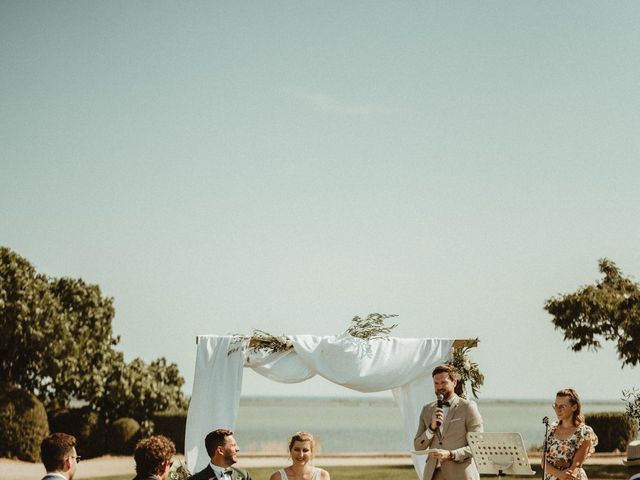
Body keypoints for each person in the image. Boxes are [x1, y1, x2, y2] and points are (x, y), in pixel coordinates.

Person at [414, 364, 483, 480]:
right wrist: (431, 428)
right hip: (432, 474)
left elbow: (478, 445)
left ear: (454, 382)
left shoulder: (468, 407)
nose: (439, 387)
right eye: (436, 383)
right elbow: (418, 446)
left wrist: (451, 454)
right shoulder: (427, 409)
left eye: (444, 382)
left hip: (460, 475)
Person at [543, 388, 598, 480]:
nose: (557, 410)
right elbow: (543, 462)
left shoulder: (585, 432)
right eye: (556, 406)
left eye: (562, 407)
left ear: (574, 407)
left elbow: (577, 464)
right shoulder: (551, 429)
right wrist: (559, 474)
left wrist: (563, 476)